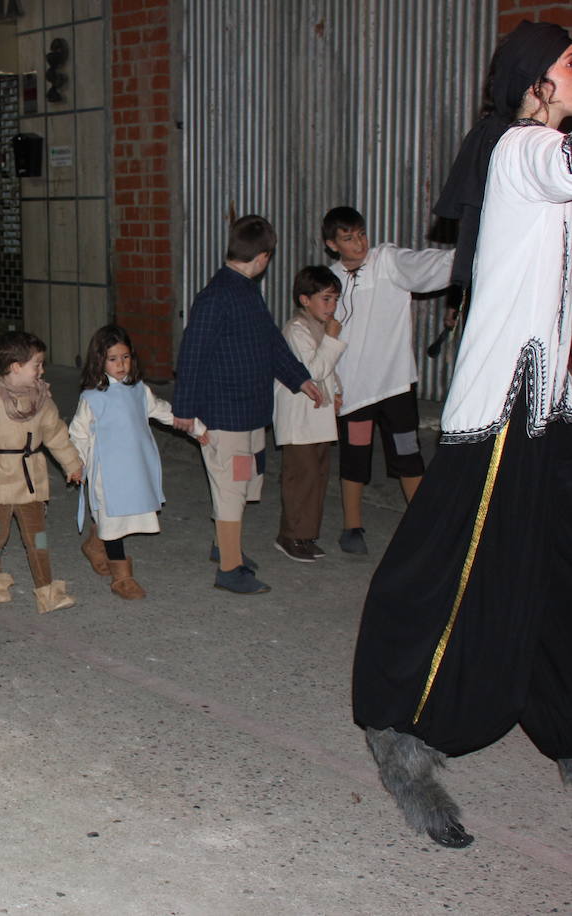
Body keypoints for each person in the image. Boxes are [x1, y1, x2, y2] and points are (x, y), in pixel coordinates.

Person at [352, 20, 572, 850]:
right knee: (448, 564)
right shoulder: (520, 148)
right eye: (570, 61)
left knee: (553, 566)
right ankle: (398, 729)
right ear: (535, 81)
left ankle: (564, 723)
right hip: (501, 407)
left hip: (552, 404)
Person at [171, 215, 324, 595]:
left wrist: (300, 378)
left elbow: (271, 341)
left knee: (245, 481)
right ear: (264, 257)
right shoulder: (216, 296)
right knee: (231, 486)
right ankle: (229, 568)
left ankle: (225, 545)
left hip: (250, 412)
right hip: (225, 415)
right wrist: (184, 410)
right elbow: (192, 354)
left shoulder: (247, 291)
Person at [322, 205, 454, 555]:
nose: (359, 243)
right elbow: (322, 340)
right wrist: (330, 385)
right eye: (348, 239)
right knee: (355, 457)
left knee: (408, 454)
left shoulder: (388, 261)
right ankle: (352, 526)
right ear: (332, 245)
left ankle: (422, 526)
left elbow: (428, 265)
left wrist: (467, 253)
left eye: (361, 234)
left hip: (396, 387)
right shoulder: (329, 282)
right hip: (355, 392)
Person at [0, 331, 82, 612]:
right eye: (37, 364)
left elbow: (56, 434)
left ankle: (46, 592)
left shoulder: (42, 401)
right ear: (16, 366)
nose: (42, 370)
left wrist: (72, 464)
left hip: (32, 481)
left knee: (38, 538)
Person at [71, 325, 205, 600]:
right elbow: (79, 434)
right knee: (113, 519)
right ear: (99, 361)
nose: (121, 365)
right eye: (113, 359)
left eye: (125, 357)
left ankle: (95, 543)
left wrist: (196, 428)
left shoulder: (139, 390)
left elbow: (163, 411)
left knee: (123, 517)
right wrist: (76, 464)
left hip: (134, 468)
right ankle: (122, 577)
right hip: (107, 473)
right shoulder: (92, 399)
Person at [272, 267, 346, 563]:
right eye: (326, 299)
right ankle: (289, 535)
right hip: (299, 419)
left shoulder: (319, 328)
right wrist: (332, 339)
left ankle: (306, 534)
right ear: (305, 299)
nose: (332, 306)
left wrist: (337, 391)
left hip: (319, 417)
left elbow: (329, 370)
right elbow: (313, 370)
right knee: (301, 477)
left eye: (335, 299)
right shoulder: (297, 329)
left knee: (317, 476)